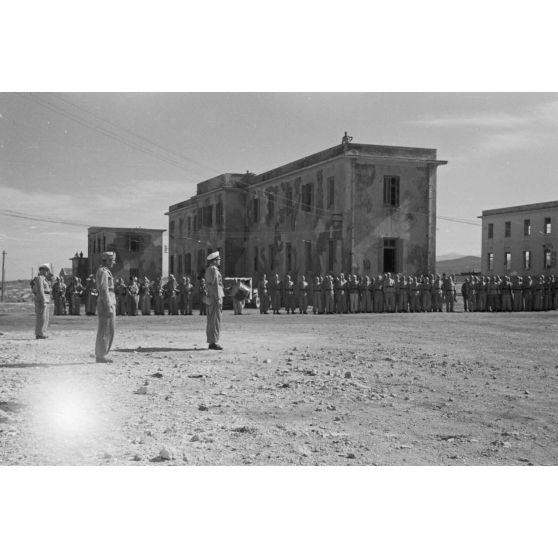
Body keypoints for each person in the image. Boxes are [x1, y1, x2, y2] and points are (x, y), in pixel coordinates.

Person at [95, 251, 117, 363]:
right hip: (106, 302)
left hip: (109, 301)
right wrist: (108, 306)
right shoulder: (103, 272)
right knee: (105, 330)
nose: (114, 262)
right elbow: (104, 290)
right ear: (107, 260)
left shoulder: (105, 271)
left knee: (109, 329)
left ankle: (102, 354)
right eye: (112, 260)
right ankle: (101, 355)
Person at [205, 251, 224, 350]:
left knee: (211, 320)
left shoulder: (209, 269)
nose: (220, 261)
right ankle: (213, 342)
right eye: (218, 259)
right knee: (215, 320)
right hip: (215, 298)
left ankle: (212, 341)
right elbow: (216, 285)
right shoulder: (214, 270)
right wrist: (218, 298)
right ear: (214, 260)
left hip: (211, 297)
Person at [33, 263, 52, 339]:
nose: (47, 272)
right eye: (46, 270)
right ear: (42, 270)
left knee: (45, 317)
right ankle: (39, 333)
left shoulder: (44, 279)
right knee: (41, 317)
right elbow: (40, 290)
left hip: (46, 300)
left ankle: (42, 332)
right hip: (42, 300)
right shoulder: (39, 278)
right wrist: (43, 300)